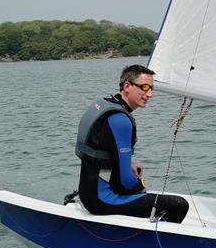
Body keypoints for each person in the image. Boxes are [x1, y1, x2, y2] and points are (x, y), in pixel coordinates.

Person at [73, 64, 188, 223]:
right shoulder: (120, 120)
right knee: (179, 205)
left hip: (88, 192)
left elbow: (103, 150)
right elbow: (125, 182)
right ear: (127, 86)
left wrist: (129, 163)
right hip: (102, 201)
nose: (150, 94)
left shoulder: (104, 104)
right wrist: (140, 187)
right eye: (145, 87)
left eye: (151, 88)